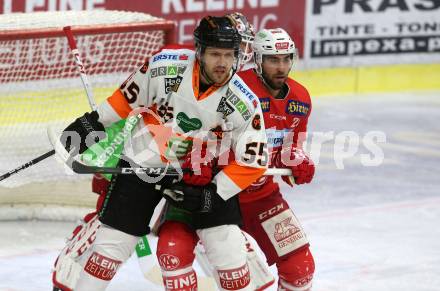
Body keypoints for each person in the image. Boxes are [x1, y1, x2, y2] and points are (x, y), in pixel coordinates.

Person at [53, 15, 267, 291]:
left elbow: (254, 162)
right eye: (215, 54)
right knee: (111, 246)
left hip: (201, 176)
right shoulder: (164, 67)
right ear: (199, 51)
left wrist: (214, 193)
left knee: (226, 248)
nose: (223, 63)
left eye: (229, 55)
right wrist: (92, 123)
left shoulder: (244, 102)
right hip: (144, 163)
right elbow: (126, 99)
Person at [156, 27, 316, 291]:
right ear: (258, 59)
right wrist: (197, 159)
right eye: (273, 60)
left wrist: (298, 159)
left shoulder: (300, 98)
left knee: (300, 269)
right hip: (215, 194)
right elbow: (197, 130)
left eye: (286, 59)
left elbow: (291, 146)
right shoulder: (232, 88)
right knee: (173, 254)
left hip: (261, 195)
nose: (281, 67)